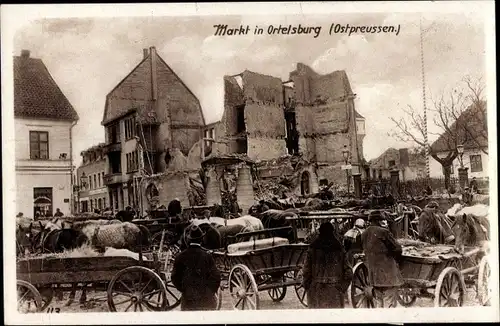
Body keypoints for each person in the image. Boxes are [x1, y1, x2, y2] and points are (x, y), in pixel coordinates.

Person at [301, 222, 352, 309]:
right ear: (332, 232)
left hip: (316, 291)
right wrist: (342, 287)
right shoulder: (339, 249)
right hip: (335, 291)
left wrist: (307, 286)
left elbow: (306, 271)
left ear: (320, 232)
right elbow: (349, 272)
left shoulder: (312, 248)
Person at [171, 225, 221, 310]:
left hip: (188, 301)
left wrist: (185, 290)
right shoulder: (207, 256)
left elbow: (175, 278)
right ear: (201, 240)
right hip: (207, 301)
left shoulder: (180, 256)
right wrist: (210, 291)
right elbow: (216, 276)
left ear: (188, 240)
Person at [361, 210, 403, 308]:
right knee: (389, 302)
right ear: (379, 220)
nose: (384, 222)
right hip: (388, 273)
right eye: (382, 220)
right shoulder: (383, 232)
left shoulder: (364, 233)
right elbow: (397, 249)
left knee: (379, 302)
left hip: (374, 274)